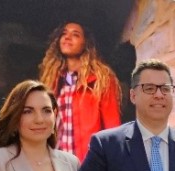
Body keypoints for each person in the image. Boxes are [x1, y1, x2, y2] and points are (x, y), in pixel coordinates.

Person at [39, 21, 121, 163]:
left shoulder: (101, 79)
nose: (67, 37)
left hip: (87, 165)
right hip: (56, 164)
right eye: (64, 34)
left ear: (86, 43)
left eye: (75, 35)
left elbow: (113, 128)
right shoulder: (52, 82)